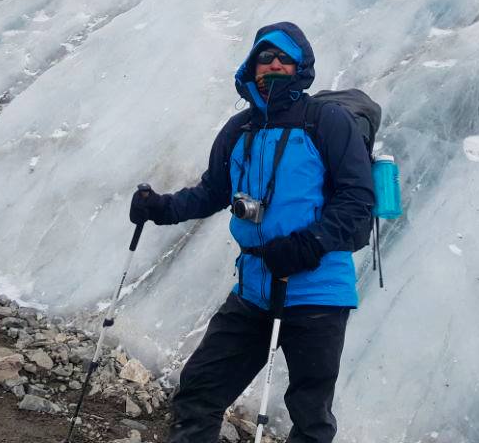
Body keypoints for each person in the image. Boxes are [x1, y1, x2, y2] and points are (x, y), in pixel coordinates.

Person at [130, 22, 376, 443]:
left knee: (310, 417)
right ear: (252, 66)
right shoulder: (239, 129)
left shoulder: (327, 122)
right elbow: (213, 192)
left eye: (285, 58)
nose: (275, 65)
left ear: (301, 67)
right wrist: (161, 208)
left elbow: (358, 197)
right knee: (199, 391)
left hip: (317, 290)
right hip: (254, 289)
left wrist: (308, 244)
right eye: (266, 57)